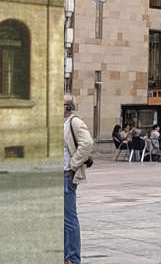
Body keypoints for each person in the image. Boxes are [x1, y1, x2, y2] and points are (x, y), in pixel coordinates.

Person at [64, 94, 93, 264]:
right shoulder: (62, 123)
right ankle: (66, 255)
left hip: (66, 175)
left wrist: (73, 165)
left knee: (69, 219)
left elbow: (87, 143)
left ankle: (73, 258)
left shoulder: (75, 122)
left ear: (67, 107)